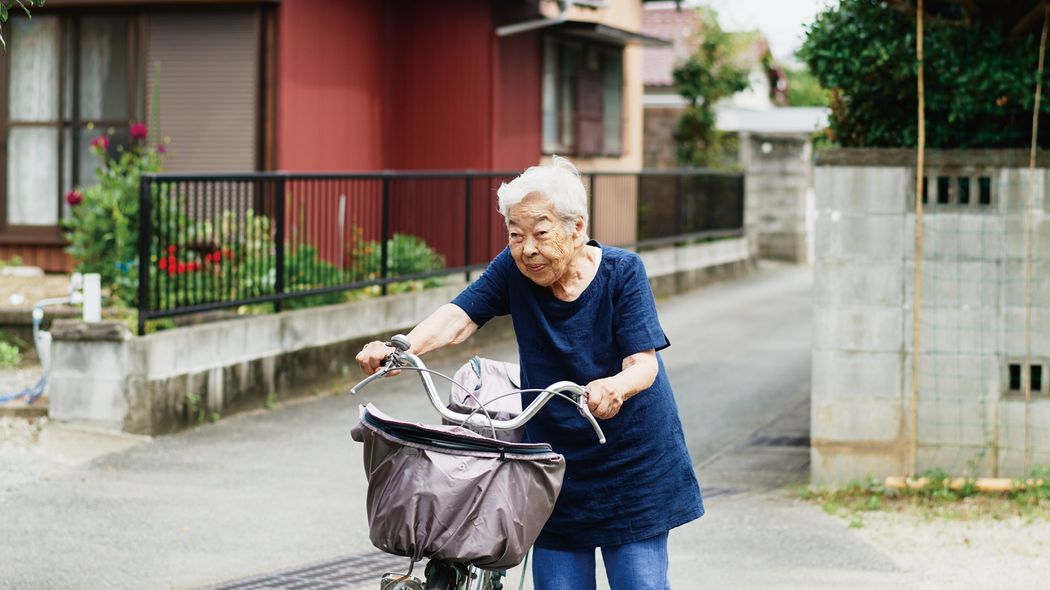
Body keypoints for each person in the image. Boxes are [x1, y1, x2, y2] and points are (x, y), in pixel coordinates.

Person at [355, 156, 703, 590]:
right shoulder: (515, 270)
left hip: (632, 464)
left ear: (577, 229)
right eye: (515, 235)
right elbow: (461, 315)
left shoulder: (622, 273)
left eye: (541, 233)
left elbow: (643, 364)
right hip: (552, 467)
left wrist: (615, 385)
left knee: (640, 584)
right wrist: (401, 347)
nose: (527, 249)